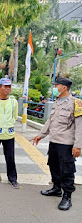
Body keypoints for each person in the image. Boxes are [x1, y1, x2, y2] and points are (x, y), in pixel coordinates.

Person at [30, 77, 82, 211]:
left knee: (67, 170)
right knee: (53, 165)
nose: (54, 87)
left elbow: (80, 125)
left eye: (56, 85)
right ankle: (56, 188)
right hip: (53, 141)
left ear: (64, 87)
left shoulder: (76, 103)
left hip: (66, 143)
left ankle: (67, 196)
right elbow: (50, 121)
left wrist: (78, 145)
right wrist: (40, 135)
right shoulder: (57, 102)